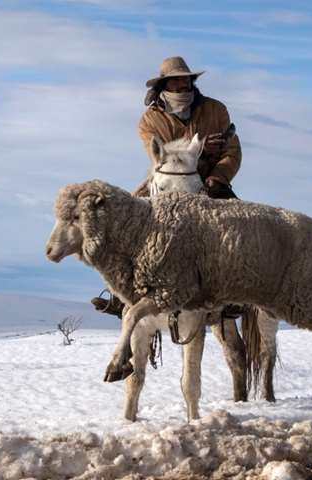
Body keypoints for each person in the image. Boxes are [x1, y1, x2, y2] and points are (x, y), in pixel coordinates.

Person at [91, 56, 243, 316]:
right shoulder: (149, 120)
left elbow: (232, 150)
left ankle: (234, 294)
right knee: (127, 222)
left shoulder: (216, 109)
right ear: (164, 86)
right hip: (167, 177)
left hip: (209, 179)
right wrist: (198, 147)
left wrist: (218, 177)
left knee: (239, 228)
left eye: (186, 81)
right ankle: (122, 295)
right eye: (176, 82)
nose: (182, 86)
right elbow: (159, 154)